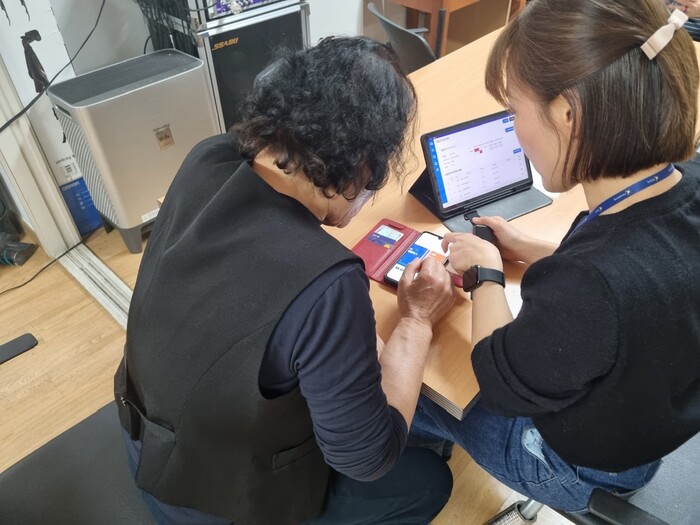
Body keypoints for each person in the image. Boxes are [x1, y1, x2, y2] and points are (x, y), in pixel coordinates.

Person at [114, 36, 455, 525]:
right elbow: (367, 458)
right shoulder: (329, 284)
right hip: (223, 506)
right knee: (427, 479)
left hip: (150, 448)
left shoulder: (208, 158)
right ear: (361, 168)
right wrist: (417, 320)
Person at [410, 0, 700, 514]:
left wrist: (487, 273)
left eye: (514, 113)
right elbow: (642, 277)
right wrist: (533, 249)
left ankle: (408, 473)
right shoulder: (686, 180)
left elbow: (498, 380)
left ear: (569, 114)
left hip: (582, 467)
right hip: (653, 414)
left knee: (418, 387)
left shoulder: (589, 285)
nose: (515, 133)